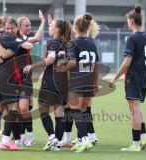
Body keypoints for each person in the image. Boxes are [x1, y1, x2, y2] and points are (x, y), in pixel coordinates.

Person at [109, 4, 146, 152]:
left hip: (133, 78)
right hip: (144, 78)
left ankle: (135, 144)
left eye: (128, 21)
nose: (128, 24)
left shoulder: (133, 38)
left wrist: (114, 79)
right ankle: (143, 137)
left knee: (134, 110)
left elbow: (127, 62)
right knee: (136, 108)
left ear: (131, 21)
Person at [0, 16, 33, 150]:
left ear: (16, 27)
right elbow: (27, 46)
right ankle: (5, 140)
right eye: (8, 28)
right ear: (5, 28)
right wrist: (21, 41)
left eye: (12, 28)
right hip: (3, 78)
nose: (10, 30)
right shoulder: (9, 38)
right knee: (13, 109)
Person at [23, 17, 72, 151]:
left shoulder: (52, 42)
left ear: (57, 30)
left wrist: (33, 65)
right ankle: (55, 145)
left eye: (51, 27)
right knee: (59, 112)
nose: (49, 28)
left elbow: (50, 59)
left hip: (51, 79)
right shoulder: (67, 43)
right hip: (63, 81)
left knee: (43, 109)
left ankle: (52, 137)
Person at [57, 13, 99, 153]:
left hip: (78, 79)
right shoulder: (92, 42)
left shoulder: (73, 43)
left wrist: (62, 68)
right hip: (90, 79)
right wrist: (95, 82)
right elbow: (96, 65)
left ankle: (85, 139)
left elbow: (73, 63)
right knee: (83, 110)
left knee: (75, 110)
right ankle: (81, 140)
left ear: (75, 28)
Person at [16, 10, 45, 147]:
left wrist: (43, 22)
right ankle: (18, 136)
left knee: (24, 109)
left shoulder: (24, 40)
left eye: (30, 25)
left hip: (25, 78)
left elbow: (37, 39)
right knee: (17, 109)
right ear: (19, 27)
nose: (29, 27)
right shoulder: (14, 39)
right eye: (26, 25)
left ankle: (30, 135)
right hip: (12, 78)